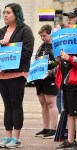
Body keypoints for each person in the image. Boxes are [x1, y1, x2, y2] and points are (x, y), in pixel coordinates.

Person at [55, 8, 77, 150]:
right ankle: (70, 140)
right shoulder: (65, 36)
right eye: (68, 17)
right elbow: (58, 56)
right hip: (65, 79)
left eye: (72, 17)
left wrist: (69, 58)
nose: (68, 19)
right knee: (69, 112)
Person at [0, 3, 34, 149]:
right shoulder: (2, 31)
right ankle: (7, 137)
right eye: (4, 13)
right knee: (7, 106)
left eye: (8, 13)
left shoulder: (25, 30)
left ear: (16, 14)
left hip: (17, 74)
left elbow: (27, 53)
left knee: (16, 105)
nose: (5, 15)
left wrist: (9, 48)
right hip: (2, 76)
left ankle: (17, 138)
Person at [34, 24, 58, 139]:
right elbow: (37, 61)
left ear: (50, 34)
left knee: (51, 103)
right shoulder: (41, 47)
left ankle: (53, 129)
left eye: (44, 36)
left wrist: (50, 73)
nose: (43, 38)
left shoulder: (55, 46)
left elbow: (59, 65)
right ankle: (46, 128)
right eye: (41, 36)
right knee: (43, 103)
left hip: (51, 78)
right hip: (39, 78)